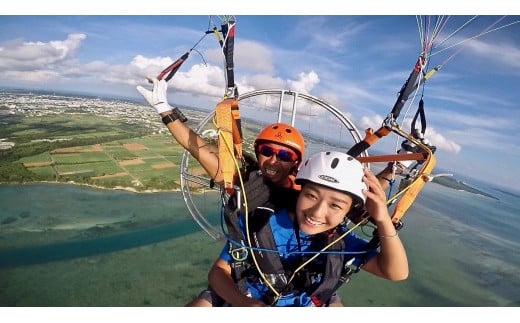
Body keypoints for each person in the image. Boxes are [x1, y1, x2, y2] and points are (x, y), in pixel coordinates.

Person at [206, 151, 408, 306]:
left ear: (349, 210)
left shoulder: (340, 242)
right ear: (300, 192)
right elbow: (219, 270)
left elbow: (395, 273)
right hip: (248, 293)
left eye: (335, 205)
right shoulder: (260, 222)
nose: (317, 213)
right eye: (311, 196)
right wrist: (244, 303)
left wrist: (382, 218)